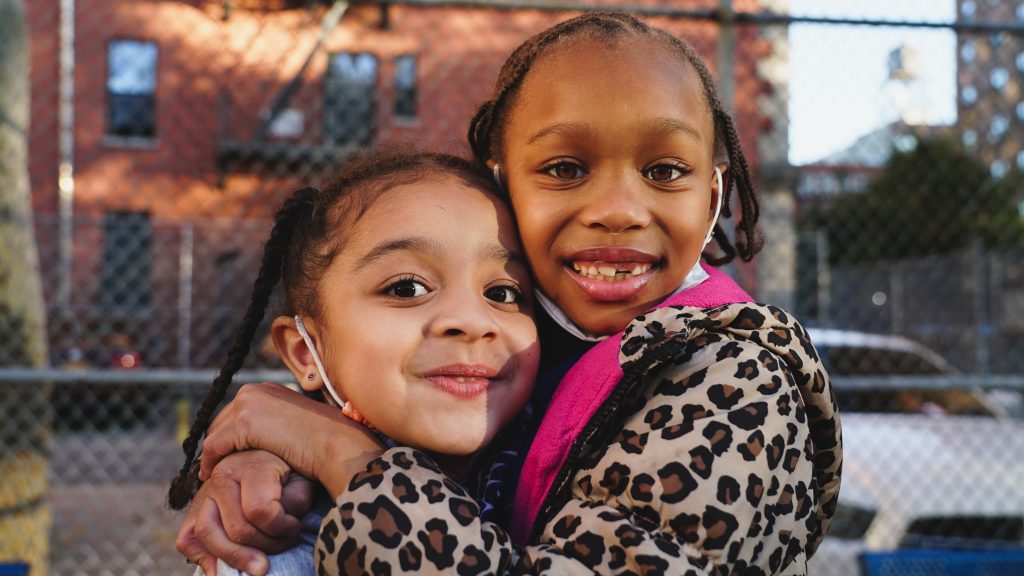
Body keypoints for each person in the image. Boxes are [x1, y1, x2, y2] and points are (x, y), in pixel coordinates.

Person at [178, 11, 842, 575]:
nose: (617, 208)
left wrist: (335, 454)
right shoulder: (524, 353)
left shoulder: (738, 381)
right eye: (565, 169)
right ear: (504, 187)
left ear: (713, 193)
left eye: (666, 170)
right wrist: (268, 464)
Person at [167, 150, 540, 575]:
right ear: (307, 351)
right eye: (406, 288)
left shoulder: (580, 450)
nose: (472, 321)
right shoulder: (276, 549)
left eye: (503, 293)